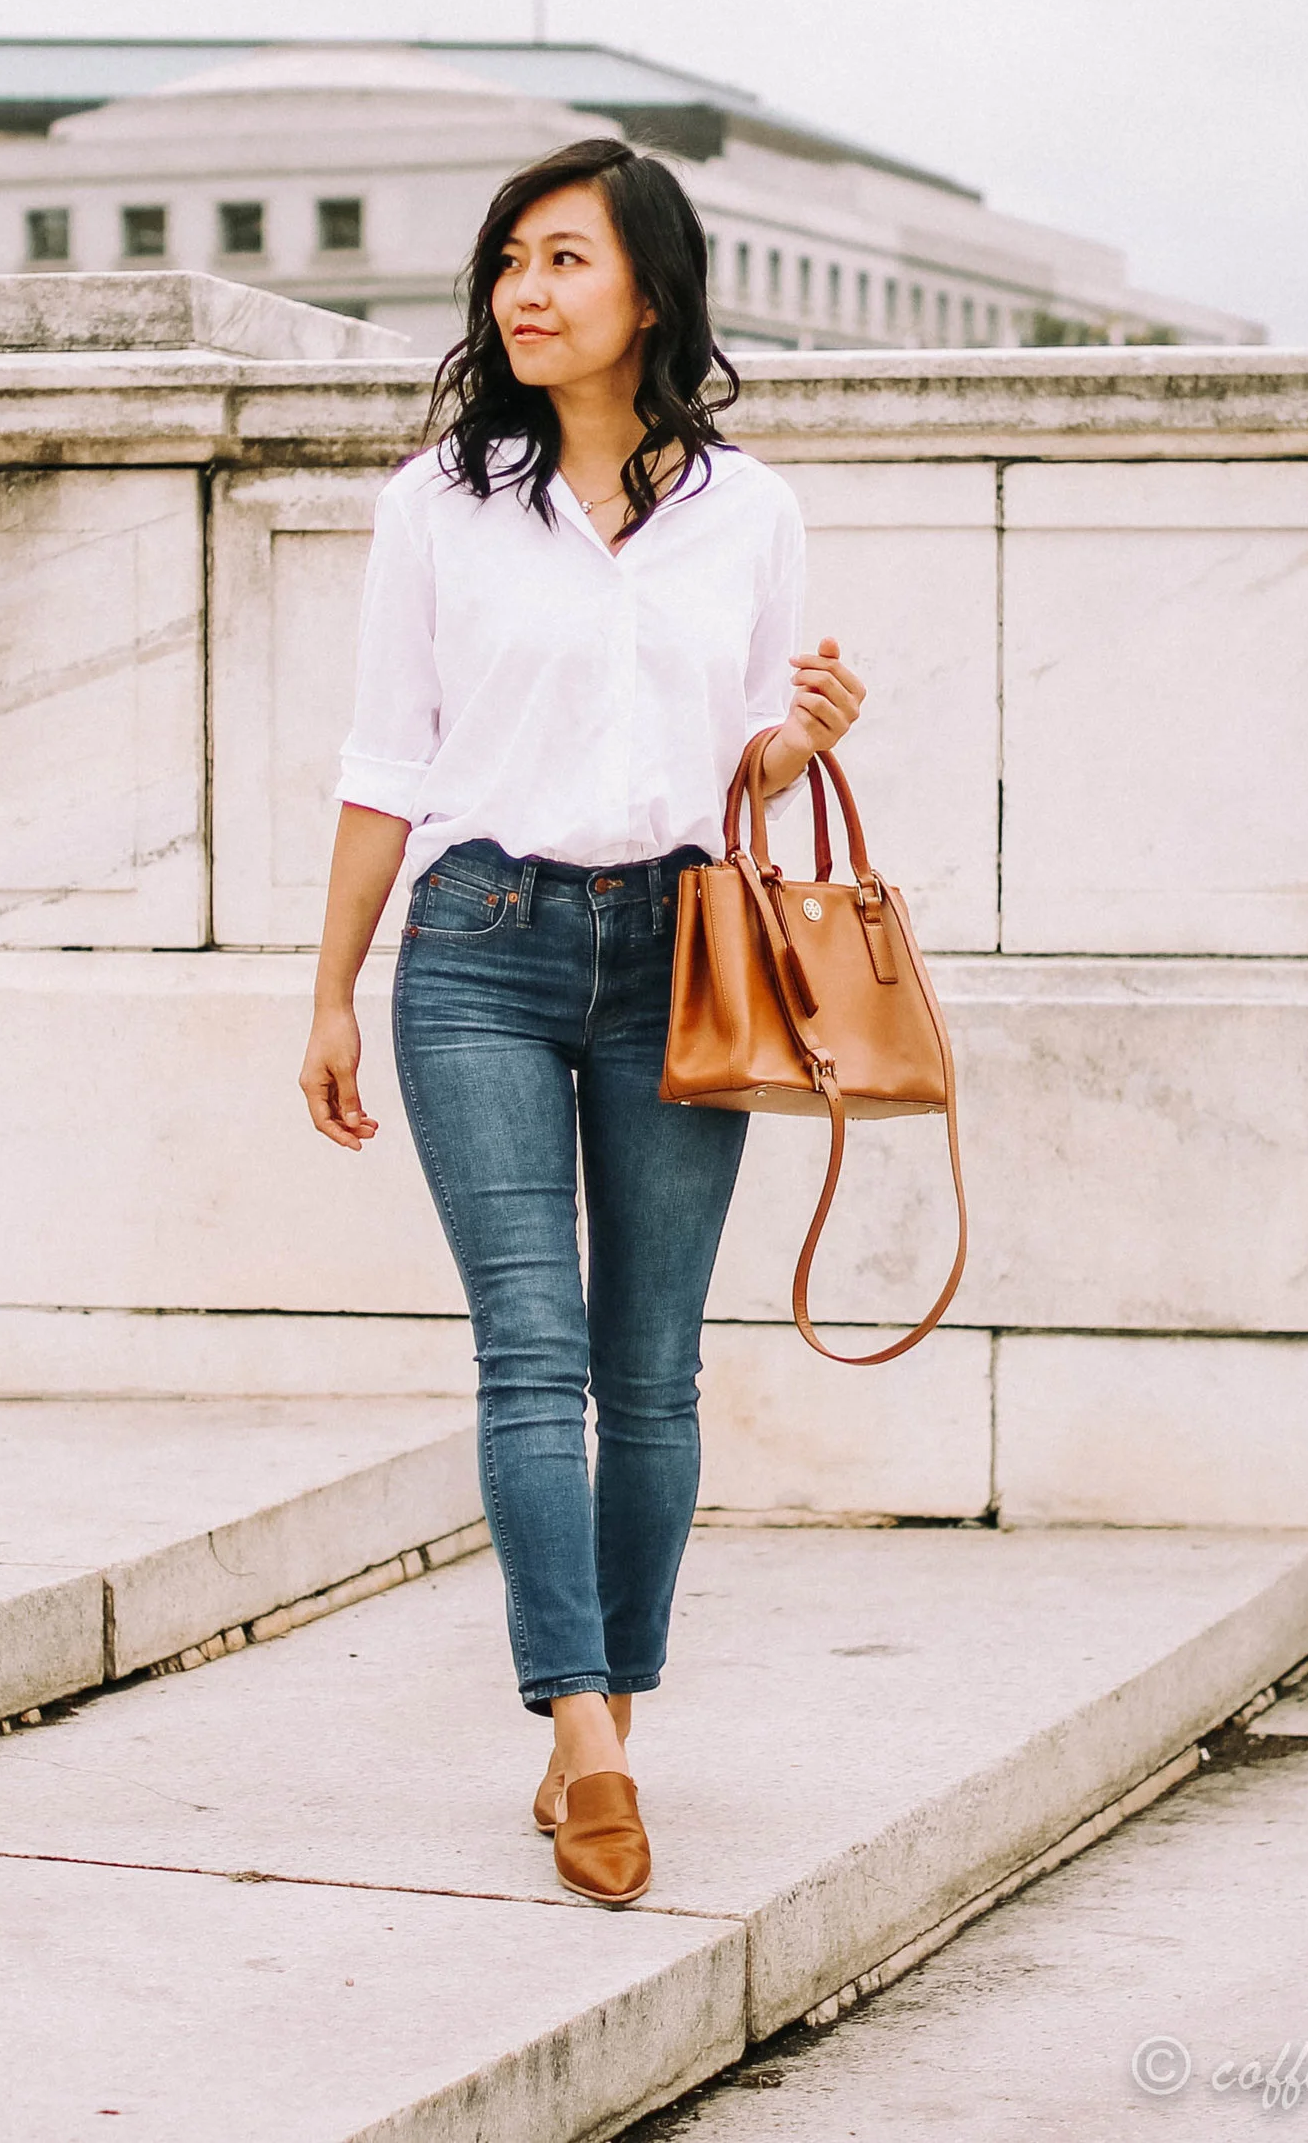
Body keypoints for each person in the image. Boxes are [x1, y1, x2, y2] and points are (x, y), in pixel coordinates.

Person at [297, 137, 865, 1908]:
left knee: (654, 1373)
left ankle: (616, 1699)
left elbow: (741, 762)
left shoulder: (749, 512)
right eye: (509, 264)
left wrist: (799, 740)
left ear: (647, 293)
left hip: (685, 949)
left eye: (563, 262)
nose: (523, 295)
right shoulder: (436, 503)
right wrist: (329, 985)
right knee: (531, 1354)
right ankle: (588, 1731)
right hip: (477, 941)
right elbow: (391, 758)